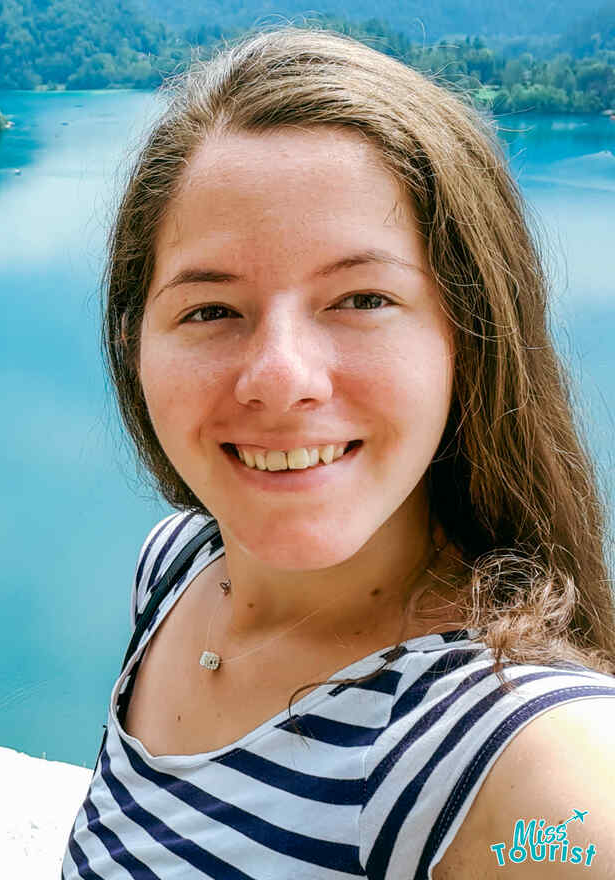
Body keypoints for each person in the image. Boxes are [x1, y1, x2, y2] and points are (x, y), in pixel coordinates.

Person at [64, 28, 615, 880]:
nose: (281, 379)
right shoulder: (177, 567)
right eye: (210, 310)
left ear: (471, 338)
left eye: (362, 297)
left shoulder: (529, 770)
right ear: (136, 342)